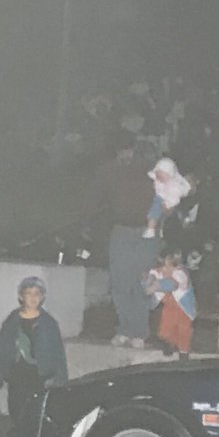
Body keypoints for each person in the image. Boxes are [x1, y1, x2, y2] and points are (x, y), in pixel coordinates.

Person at [0, 277, 68, 437]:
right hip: (17, 379)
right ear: (21, 296)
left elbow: (57, 354)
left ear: (42, 297)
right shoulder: (13, 320)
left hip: (39, 379)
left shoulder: (48, 323)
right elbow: (0, 348)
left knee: (35, 426)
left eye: (37, 294)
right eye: (28, 293)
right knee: (18, 423)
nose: (32, 298)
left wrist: (58, 380)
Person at [84, 134, 160, 348]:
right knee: (120, 282)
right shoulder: (114, 172)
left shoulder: (157, 178)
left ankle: (139, 331)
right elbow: (96, 192)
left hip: (147, 232)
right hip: (122, 230)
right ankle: (125, 329)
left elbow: (174, 199)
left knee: (142, 282)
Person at [144, 245, 196, 359]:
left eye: (166, 268)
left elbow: (172, 284)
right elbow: (152, 275)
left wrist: (157, 285)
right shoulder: (161, 271)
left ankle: (184, 351)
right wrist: (149, 280)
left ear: (176, 266)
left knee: (183, 330)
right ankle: (169, 344)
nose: (163, 271)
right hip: (169, 307)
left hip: (183, 309)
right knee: (166, 328)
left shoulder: (181, 274)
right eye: (161, 267)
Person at [144, 157, 192, 239]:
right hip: (160, 200)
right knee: (154, 212)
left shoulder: (174, 186)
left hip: (170, 202)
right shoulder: (156, 181)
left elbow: (175, 197)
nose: (160, 177)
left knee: (173, 212)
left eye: (163, 175)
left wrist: (169, 204)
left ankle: (158, 230)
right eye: (158, 174)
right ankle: (151, 229)